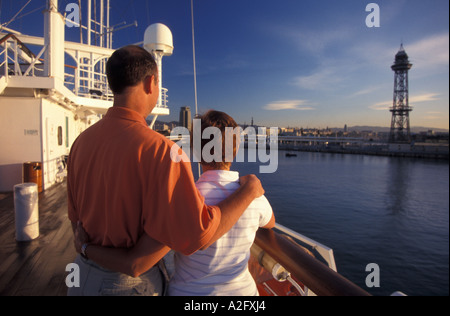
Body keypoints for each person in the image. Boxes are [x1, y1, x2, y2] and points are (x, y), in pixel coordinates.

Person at [67, 45, 264, 296]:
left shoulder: (80, 143)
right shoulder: (163, 152)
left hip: (81, 277)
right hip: (126, 287)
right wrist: (249, 191)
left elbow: (76, 222)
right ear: (151, 83)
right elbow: (198, 236)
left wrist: (86, 249)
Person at [74, 110, 275, 296]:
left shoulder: (182, 199)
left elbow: (137, 263)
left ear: (196, 150)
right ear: (236, 148)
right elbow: (271, 222)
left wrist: (85, 247)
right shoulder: (255, 196)